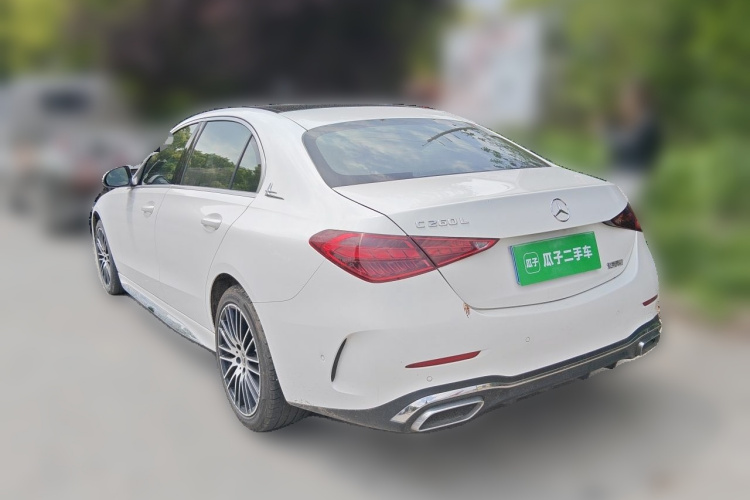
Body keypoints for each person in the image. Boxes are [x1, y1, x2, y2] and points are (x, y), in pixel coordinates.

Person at [603, 80, 661, 202]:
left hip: (634, 176)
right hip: (622, 172)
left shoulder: (646, 122)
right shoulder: (634, 120)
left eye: (627, 98)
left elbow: (631, 148)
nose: (623, 102)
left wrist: (608, 133)